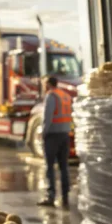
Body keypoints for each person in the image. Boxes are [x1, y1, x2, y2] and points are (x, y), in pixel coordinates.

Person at [37, 76, 72, 208]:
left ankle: (50, 196)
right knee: (64, 167)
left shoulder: (51, 96)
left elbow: (48, 117)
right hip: (65, 134)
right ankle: (65, 196)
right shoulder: (65, 96)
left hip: (53, 136)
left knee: (49, 166)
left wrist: (43, 133)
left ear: (48, 84)